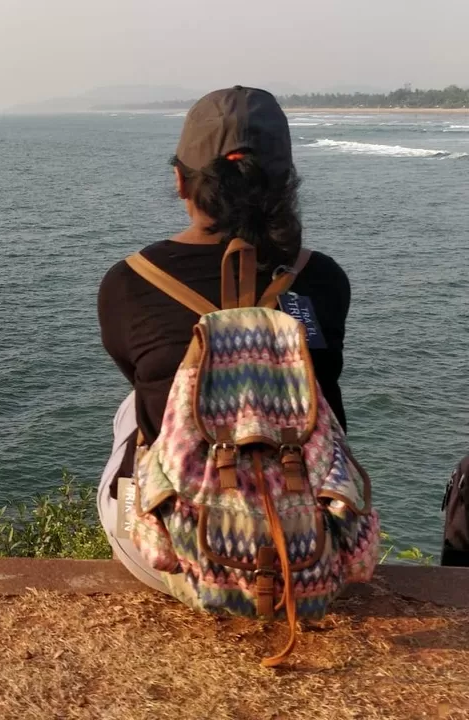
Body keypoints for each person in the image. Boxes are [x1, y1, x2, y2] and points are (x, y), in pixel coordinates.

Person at [96, 86, 353, 591]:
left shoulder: (128, 282)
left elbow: (138, 372)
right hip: (307, 551)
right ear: (284, 183)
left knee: (134, 407)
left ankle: (154, 528)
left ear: (180, 182)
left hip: (179, 557)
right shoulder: (323, 278)